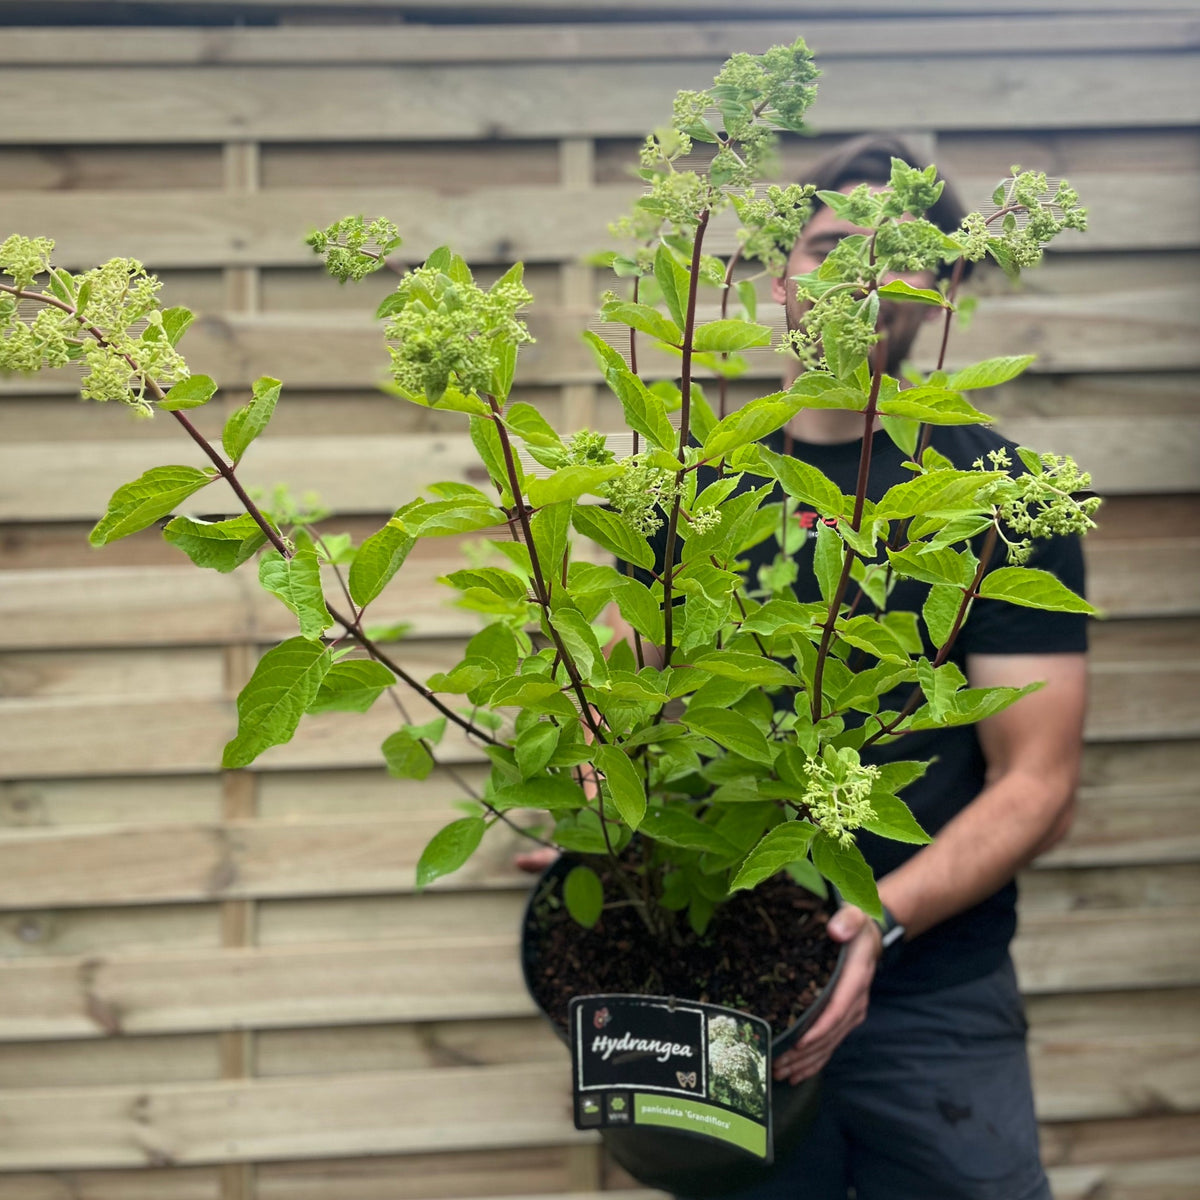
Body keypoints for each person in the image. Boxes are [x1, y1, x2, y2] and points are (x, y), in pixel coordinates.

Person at [524, 134, 1089, 1200]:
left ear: (947, 280)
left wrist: (877, 917)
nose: (862, 274)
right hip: (717, 971)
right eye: (833, 245)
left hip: (932, 987)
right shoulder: (692, 482)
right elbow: (610, 700)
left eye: (903, 248)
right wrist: (598, 807)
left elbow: (1039, 780)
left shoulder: (1004, 491)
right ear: (776, 270)